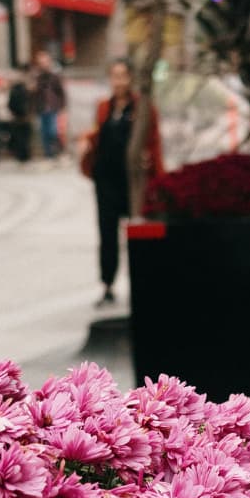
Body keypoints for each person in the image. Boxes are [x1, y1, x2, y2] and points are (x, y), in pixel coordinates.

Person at [85, 58, 164, 306]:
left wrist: (155, 173)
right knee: (107, 234)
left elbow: (153, 142)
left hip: (133, 181)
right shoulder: (103, 108)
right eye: (114, 76)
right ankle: (107, 285)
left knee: (137, 232)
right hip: (106, 180)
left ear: (131, 78)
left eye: (123, 75)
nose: (118, 81)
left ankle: (142, 284)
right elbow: (96, 137)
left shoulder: (143, 108)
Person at [33, 50, 67, 159]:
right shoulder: (37, 77)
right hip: (41, 108)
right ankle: (48, 154)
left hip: (53, 107)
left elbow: (60, 92)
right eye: (41, 62)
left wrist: (62, 106)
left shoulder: (54, 76)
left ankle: (56, 151)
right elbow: (33, 93)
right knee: (44, 132)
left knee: (53, 130)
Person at [7, 65, 34, 163]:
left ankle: (24, 156)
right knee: (21, 137)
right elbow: (11, 103)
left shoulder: (26, 89)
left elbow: (31, 102)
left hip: (23, 117)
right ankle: (22, 156)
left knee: (24, 137)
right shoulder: (17, 90)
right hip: (20, 117)